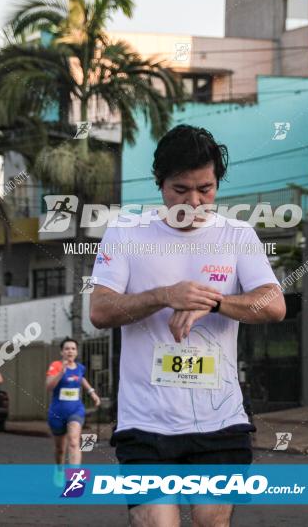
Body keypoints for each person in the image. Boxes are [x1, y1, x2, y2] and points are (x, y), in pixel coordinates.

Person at [89, 124, 285, 526]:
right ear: (160, 183)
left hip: (220, 421)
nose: (194, 201)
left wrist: (215, 302)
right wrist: (164, 295)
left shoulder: (238, 236)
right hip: (144, 422)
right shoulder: (126, 234)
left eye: (206, 189)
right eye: (181, 190)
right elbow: (100, 311)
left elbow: (274, 304)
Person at [46, 338, 101, 486]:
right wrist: (61, 372)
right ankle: (59, 469)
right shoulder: (55, 366)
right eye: (67, 349)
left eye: (73, 349)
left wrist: (92, 393)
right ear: (61, 352)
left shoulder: (79, 368)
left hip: (75, 410)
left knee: (74, 441)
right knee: (60, 448)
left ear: (76, 352)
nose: (70, 351)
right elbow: (49, 387)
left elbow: (81, 380)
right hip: (57, 412)